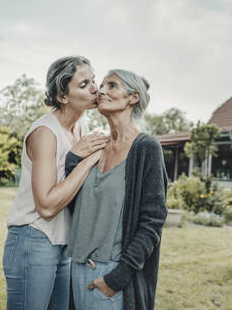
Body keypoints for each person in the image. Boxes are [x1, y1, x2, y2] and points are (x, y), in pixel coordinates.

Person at [3, 56, 109, 310]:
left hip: (63, 244)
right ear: (63, 96)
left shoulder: (81, 128)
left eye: (94, 80)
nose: (95, 88)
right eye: (84, 84)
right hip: (33, 238)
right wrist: (85, 159)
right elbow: (47, 207)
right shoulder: (45, 133)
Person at [65, 69, 168, 310]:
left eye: (111, 86)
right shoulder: (96, 145)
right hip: (77, 269)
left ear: (133, 97)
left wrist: (118, 277)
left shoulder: (146, 148)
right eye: (101, 85)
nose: (101, 91)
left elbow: (153, 221)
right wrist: (73, 159)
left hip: (111, 274)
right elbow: (73, 203)